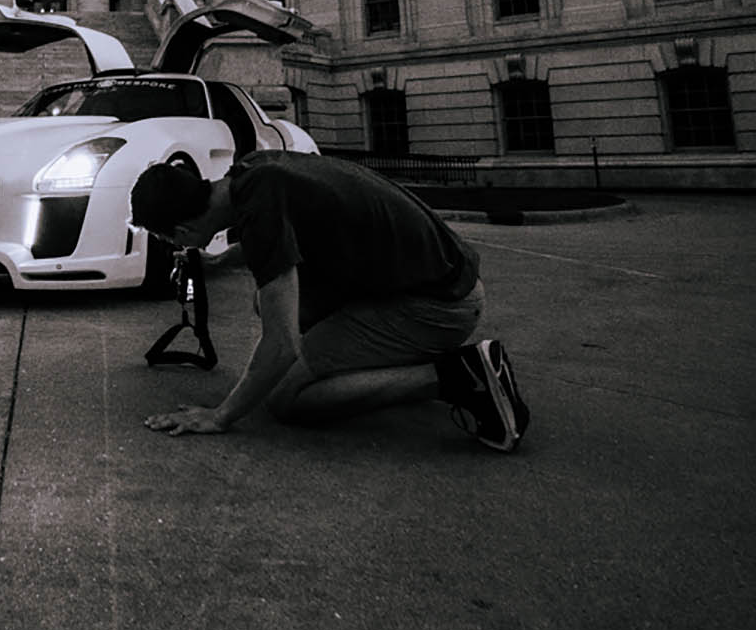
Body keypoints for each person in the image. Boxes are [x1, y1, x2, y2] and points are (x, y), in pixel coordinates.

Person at [128, 150, 529, 450]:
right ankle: (389, 360)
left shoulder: (260, 211)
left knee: (286, 398)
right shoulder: (253, 173)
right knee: (268, 304)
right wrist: (222, 259)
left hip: (438, 306)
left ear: (179, 232)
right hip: (439, 278)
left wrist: (221, 416)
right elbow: (281, 240)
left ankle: (460, 376)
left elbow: (281, 344)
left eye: (168, 240)